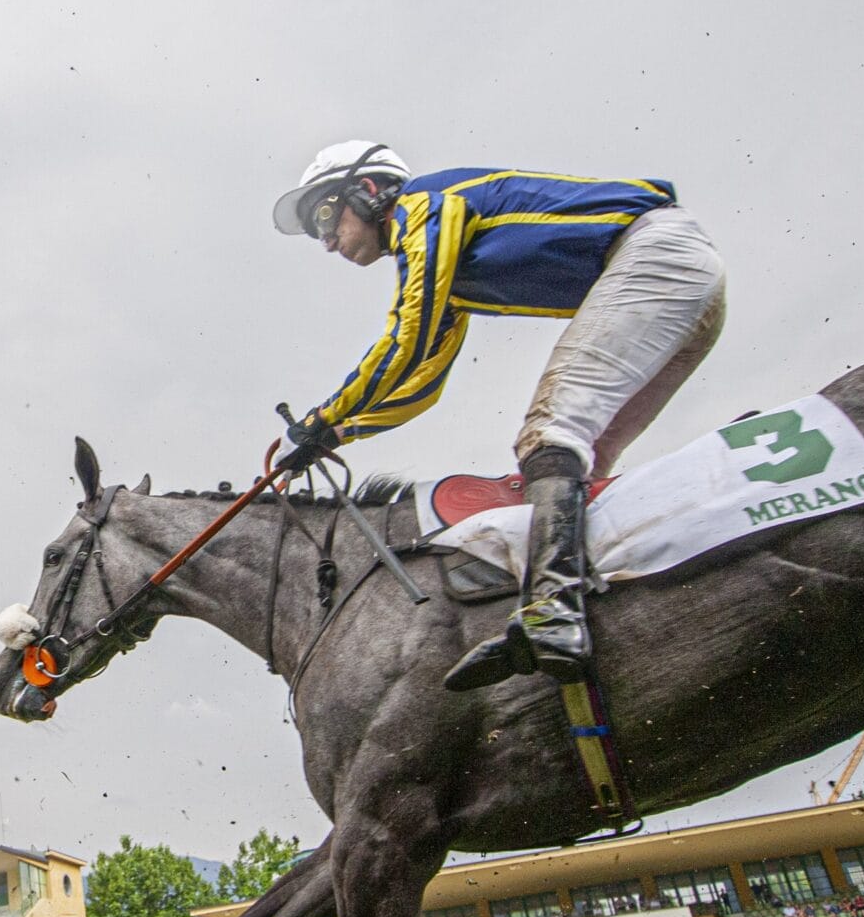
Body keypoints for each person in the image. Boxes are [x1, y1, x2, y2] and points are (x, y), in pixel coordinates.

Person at [269, 142, 727, 690]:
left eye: (325, 216)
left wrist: (323, 416)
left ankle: (554, 608)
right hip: (678, 280)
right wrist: (338, 434)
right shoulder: (444, 274)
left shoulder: (424, 206)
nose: (325, 243)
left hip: (655, 258)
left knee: (550, 434)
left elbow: (406, 339)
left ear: (368, 192)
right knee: (582, 459)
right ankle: (601, 604)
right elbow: (423, 384)